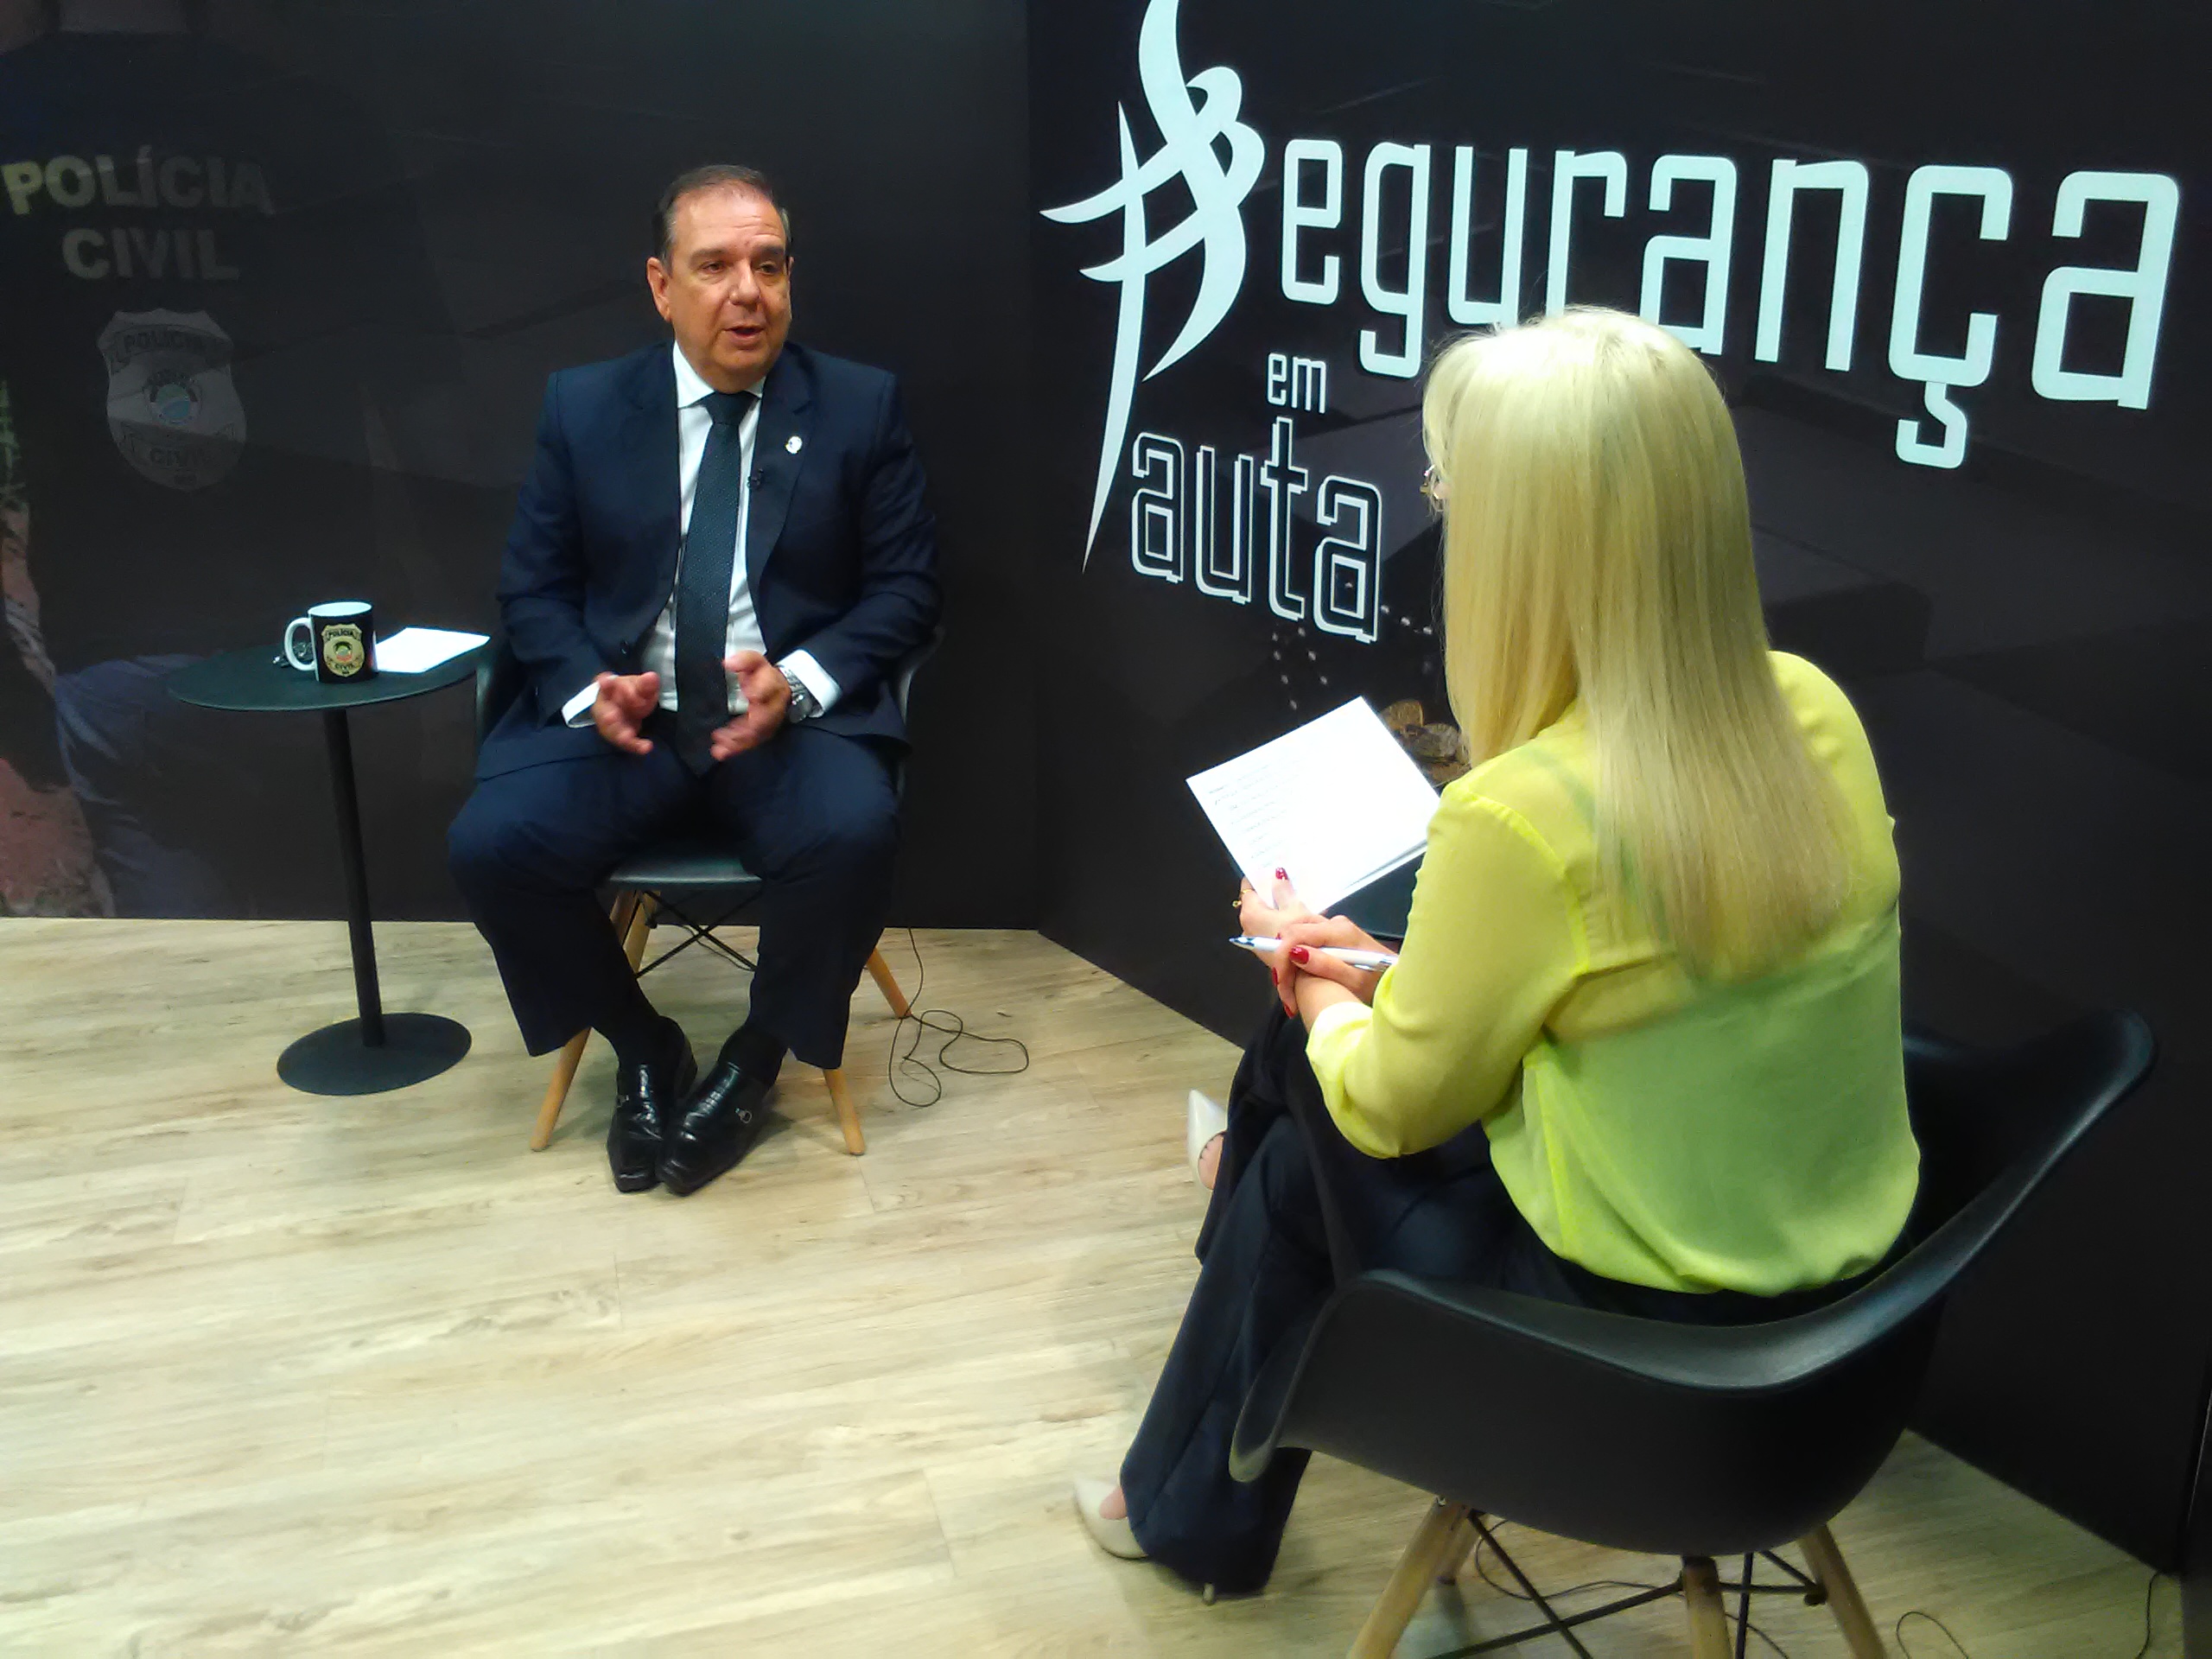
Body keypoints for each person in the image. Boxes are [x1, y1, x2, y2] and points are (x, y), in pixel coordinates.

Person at [1074, 308, 1920, 1596]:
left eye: (1448, 497)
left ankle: (1186, 1489)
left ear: (1524, 549)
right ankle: (1201, 1386)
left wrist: (1306, 977)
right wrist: (1381, 971)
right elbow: (1649, 991)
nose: (1442, 524)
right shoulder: (1813, 709)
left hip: (1638, 1346)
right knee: (1307, 1101)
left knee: (1302, 1121)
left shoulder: (1524, 814)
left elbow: (1391, 1107)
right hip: (1844, 1322)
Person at [448, 164, 939, 1198]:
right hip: (633, 723)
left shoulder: (858, 406)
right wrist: (589, 688)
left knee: (854, 831)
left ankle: (752, 1065)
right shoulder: (585, 407)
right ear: (661, 285)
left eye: (769, 265)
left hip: (783, 725)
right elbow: (532, 589)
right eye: (714, 266)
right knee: (491, 846)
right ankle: (643, 1046)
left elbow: (906, 590)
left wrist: (797, 680)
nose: (746, 292)